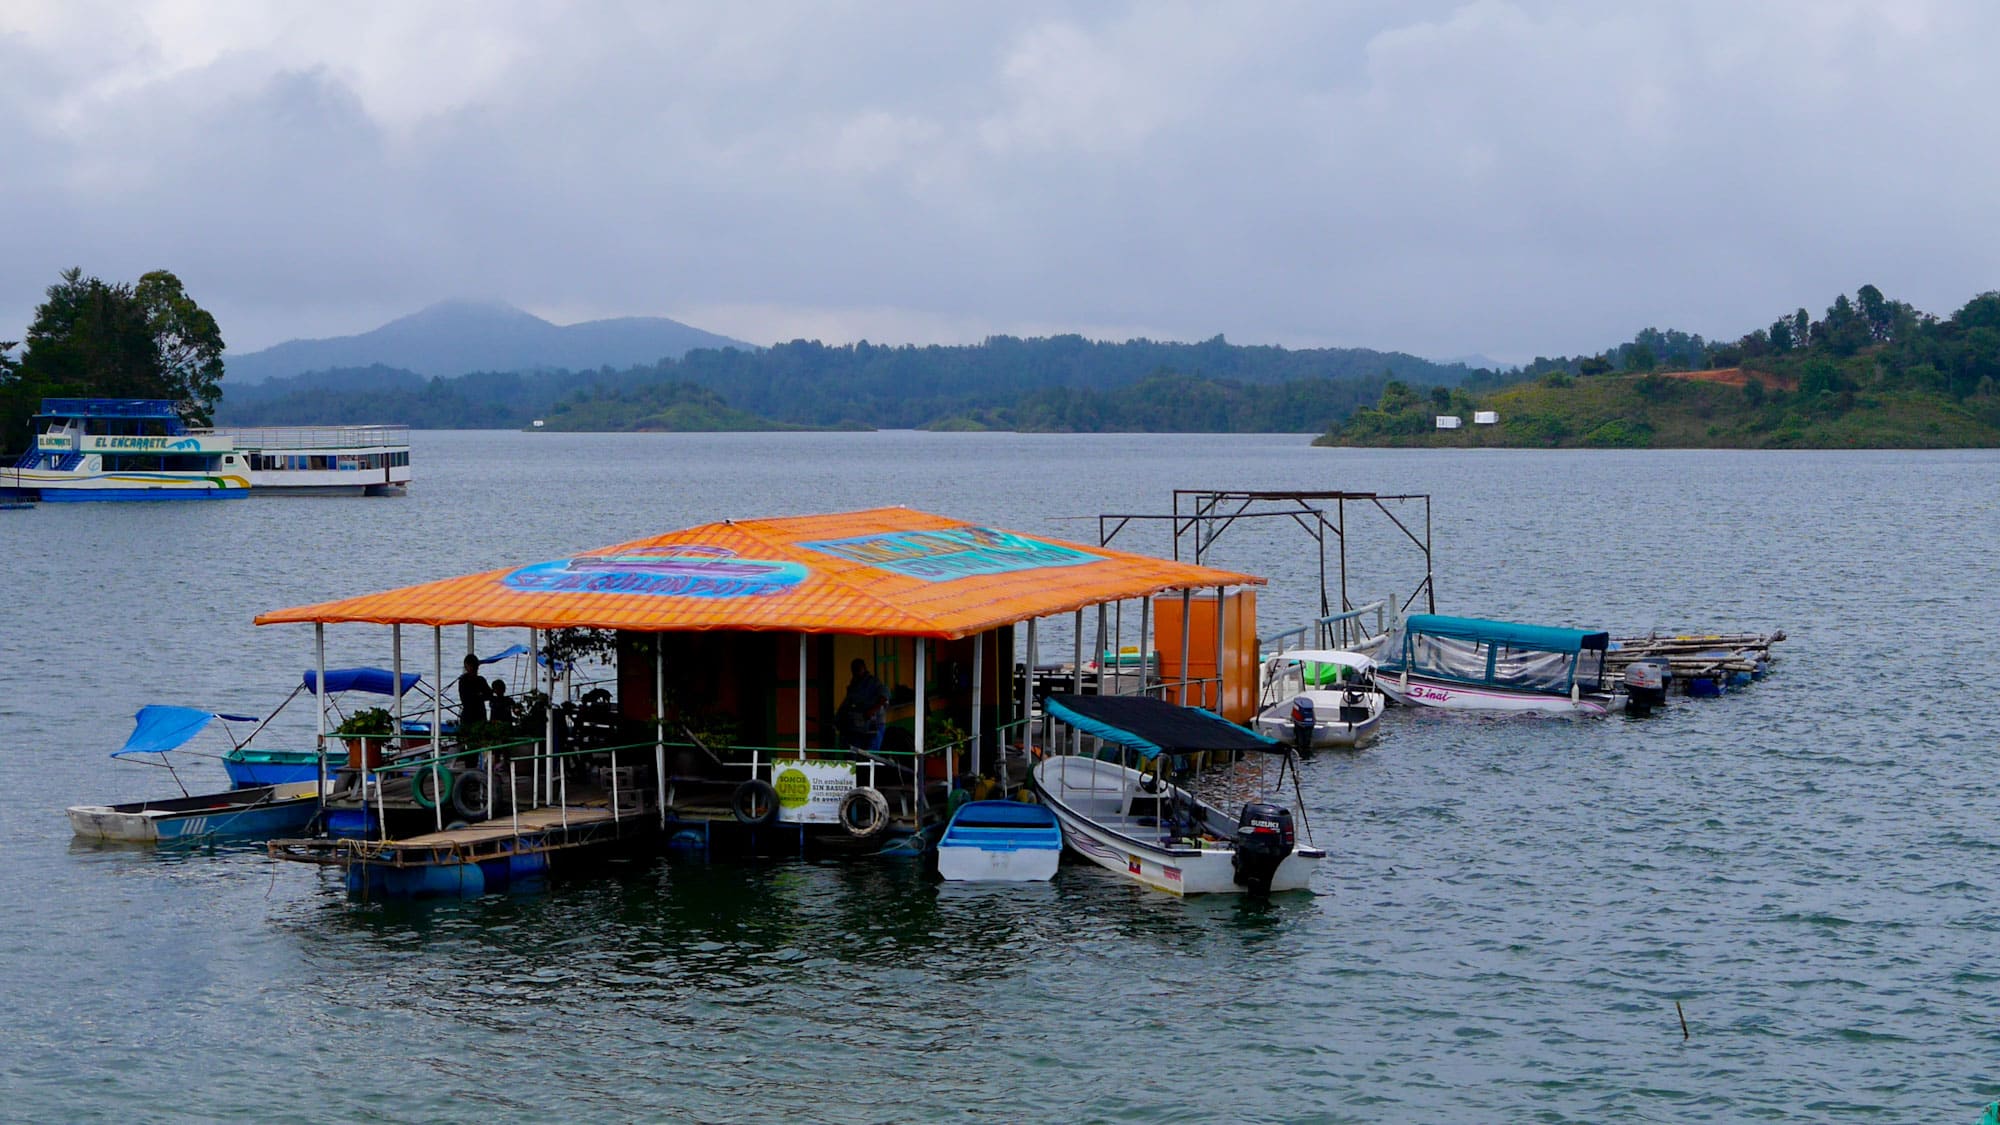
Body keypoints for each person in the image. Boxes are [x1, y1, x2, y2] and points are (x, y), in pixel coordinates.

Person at [839, 658, 888, 752]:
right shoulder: (854, 684)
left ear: (864, 668)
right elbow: (848, 702)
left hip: (875, 723)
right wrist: (839, 717)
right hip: (859, 726)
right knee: (855, 751)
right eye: (853, 669)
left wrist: (872, 710)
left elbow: (884, 696)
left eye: (858, 669)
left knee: (872, 753)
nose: (855, 672)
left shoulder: (873, 682)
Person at [457, 654, 490, 726]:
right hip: (469, 714)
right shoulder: (463, 680)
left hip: (480, 714)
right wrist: (479, 695)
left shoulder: (481, 680)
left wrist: (479, 696)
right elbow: (465, 698)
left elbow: (489, 695)